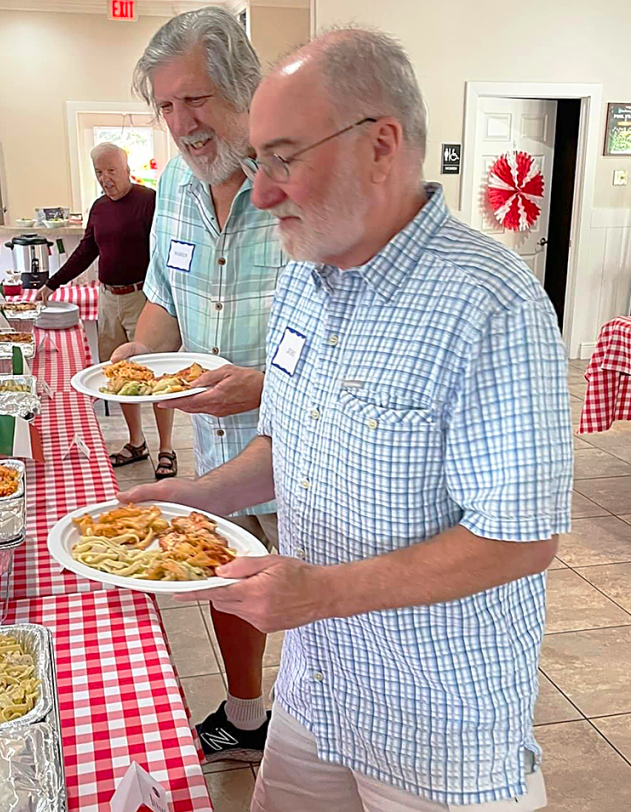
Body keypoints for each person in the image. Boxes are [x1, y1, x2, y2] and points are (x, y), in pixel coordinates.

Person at [122, 28, 572, 812]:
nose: (261, 191)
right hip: (320, 685)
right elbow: (288, 444)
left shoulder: (490, 305)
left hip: (434, 719)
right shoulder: (308, 275)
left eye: (284, 158)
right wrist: (191, 500)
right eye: (258, 159)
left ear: (381, 145)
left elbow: (519, 538)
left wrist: (319, 593)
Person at [116, 6, 286, 761]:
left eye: (197, 98)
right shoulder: (176, 190)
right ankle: (247, 718)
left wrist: (265, 389)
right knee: (232, 583)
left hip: (308, 447)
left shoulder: (293, 183)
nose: (182, 123)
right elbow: (164, 299)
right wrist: (135, 354)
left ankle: (334, 745)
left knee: (327, 603)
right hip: (216, 441)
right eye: (165, 105)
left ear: (245, 88)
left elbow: (354, 339)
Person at [36, 144, 176, 478]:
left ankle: (167, 448)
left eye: (111, 171)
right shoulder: (99, 208)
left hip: (145, 298)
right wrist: (53, 283)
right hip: (109, 299)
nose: (105, 179)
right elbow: (87, 250)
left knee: (156, 374)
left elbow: (166, 250)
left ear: (127, 168)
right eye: (99, 172)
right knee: (119, 372)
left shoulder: (149, 201)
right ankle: (136, 442)